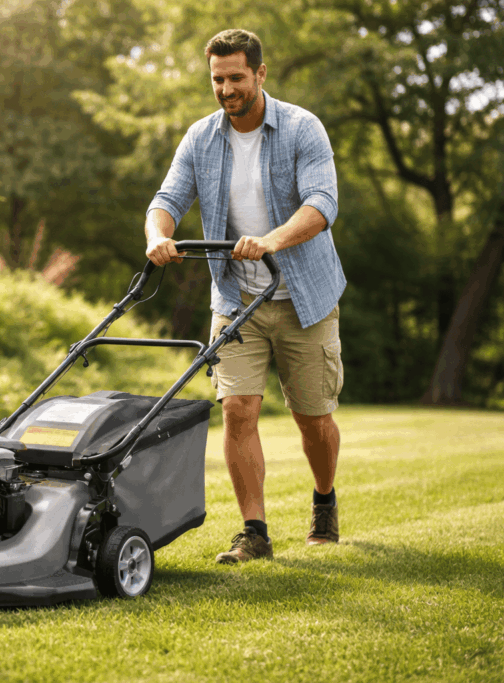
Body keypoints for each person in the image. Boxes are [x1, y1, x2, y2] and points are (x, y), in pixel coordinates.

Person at [144, 29, 345, 563]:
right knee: (237, 410)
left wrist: (271, 240)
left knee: (313, 418)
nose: (226, 88)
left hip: (304, 295)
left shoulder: (301, 128)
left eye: (236, 77)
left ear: (259, 73)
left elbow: (322, 203)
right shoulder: (201, 138)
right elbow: (167, 199)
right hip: (236, 299)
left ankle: (324, 499)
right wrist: (158, 236)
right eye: (217, 79)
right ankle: (254, 532)